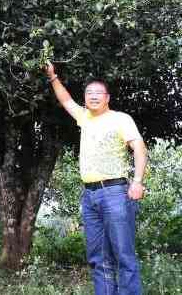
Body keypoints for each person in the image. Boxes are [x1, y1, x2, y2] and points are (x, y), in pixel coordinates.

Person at [45, 62, 147, 295]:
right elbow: (66, 100)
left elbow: (140, 149)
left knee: (123, 256)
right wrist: (53, 77)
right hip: (89, 196)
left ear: (107, 97)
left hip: (116, 193)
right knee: (98, 258)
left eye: (98, 93)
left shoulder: (121, 119)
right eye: (89, 93)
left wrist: (138, 181)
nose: (93, 97)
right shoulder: (84, 117)